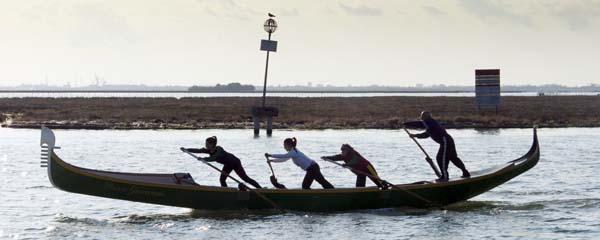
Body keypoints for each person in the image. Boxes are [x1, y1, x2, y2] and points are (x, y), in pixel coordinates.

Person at [403, 111, 470, 181]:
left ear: (427, 117)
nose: (421, 118)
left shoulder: (431, 122)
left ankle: (445, 176)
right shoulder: (430, 126)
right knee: (453, 158)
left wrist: (406, 124)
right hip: (448, 141)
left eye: (422, 117)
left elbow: (420, 124)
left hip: (445, 141)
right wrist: (415, 135)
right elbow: (426, 135)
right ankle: (465, 173)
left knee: (440, 158)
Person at [181, 136, 262, 188]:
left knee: (245, 178)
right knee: (222, 180)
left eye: (207, 144)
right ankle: (226, 192)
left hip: (235, 162)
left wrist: (204, 159)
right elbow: (198, 150)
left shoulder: (219, 149)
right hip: (228, 164)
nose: (206, 146)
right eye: (205, 144)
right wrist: (186, 150)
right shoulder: (209, 150)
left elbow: (214, 158)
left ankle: (260, 188)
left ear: (212, 144)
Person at [265, 137, 334, 189]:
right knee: (323, 182)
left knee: (305, 186)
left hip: (312, 168)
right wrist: (272, 161)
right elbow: (284, 159)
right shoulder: (293, 152)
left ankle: (315, 196)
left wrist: (270, 155)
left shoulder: (293, 152)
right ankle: (332, 191)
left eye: (284, 145)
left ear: (289, 145)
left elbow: (283, 156)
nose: (284, 147)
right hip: (314, 166)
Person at [321, 144, 387, 189]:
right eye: (342, 150)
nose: (342, 151)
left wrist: (347, 164)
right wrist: (327, 158)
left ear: (348, 150)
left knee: (377, 180)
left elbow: (354, 161)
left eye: (344, 150)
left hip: (367, 167)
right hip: (360, 171)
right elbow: (336, 157)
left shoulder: (353, 153)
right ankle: (360, 193)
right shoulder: (343, 155)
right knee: (359, 186)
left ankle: (384, 187)